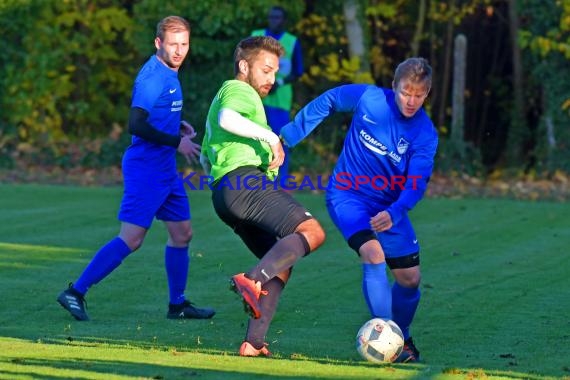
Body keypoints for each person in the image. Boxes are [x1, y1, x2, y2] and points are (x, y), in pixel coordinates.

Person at [57, 16, 215, 322]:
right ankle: (75, 291)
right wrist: (175, 141)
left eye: (184, 44)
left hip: (165, 169)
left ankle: (177, 305)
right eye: (173, 44)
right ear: (159, 43)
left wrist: (175, 127)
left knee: (182, 233)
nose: (179, 50)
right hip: (146, 169)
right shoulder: (153, 76)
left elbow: (152, 117)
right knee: (132, 238)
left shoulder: (170, 72)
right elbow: (136, 123)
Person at [280, 57, 438, 363]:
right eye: (406, 92)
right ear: (393, 87)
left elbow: (417, 182)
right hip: (347, 195)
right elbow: (330, 99)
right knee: (374, 254)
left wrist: (396, 211)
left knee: (410, 280)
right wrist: (289, 135)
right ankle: (391, 340)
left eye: (419, 95)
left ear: (427, 94)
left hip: (389, 208)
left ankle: (401, 337)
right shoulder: (370, 98)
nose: (411, 100)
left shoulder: (425, 133)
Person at [200, 36, 325, 357]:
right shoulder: (238, 89)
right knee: (312, 232)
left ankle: (253, 343)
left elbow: (205, 157)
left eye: (275, 72)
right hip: (244, 184)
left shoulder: (224, 97)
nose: (272, 78)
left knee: (281, 261)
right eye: (266, 70)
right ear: (244, 66)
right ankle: (251, 280)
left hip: (225, 195)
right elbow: (229, 119)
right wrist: (270, 137)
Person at [251, 5, 304, 180]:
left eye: (278, 17)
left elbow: (298, 71)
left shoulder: (291, 41)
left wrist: (279, 82)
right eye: (271, 17)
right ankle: (253, 180)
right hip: (255, 99)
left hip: (280, 101)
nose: (274, 20)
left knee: (280, 141)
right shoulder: (256, 36)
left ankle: (280, 182)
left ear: (284, 20)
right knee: (253, 139)